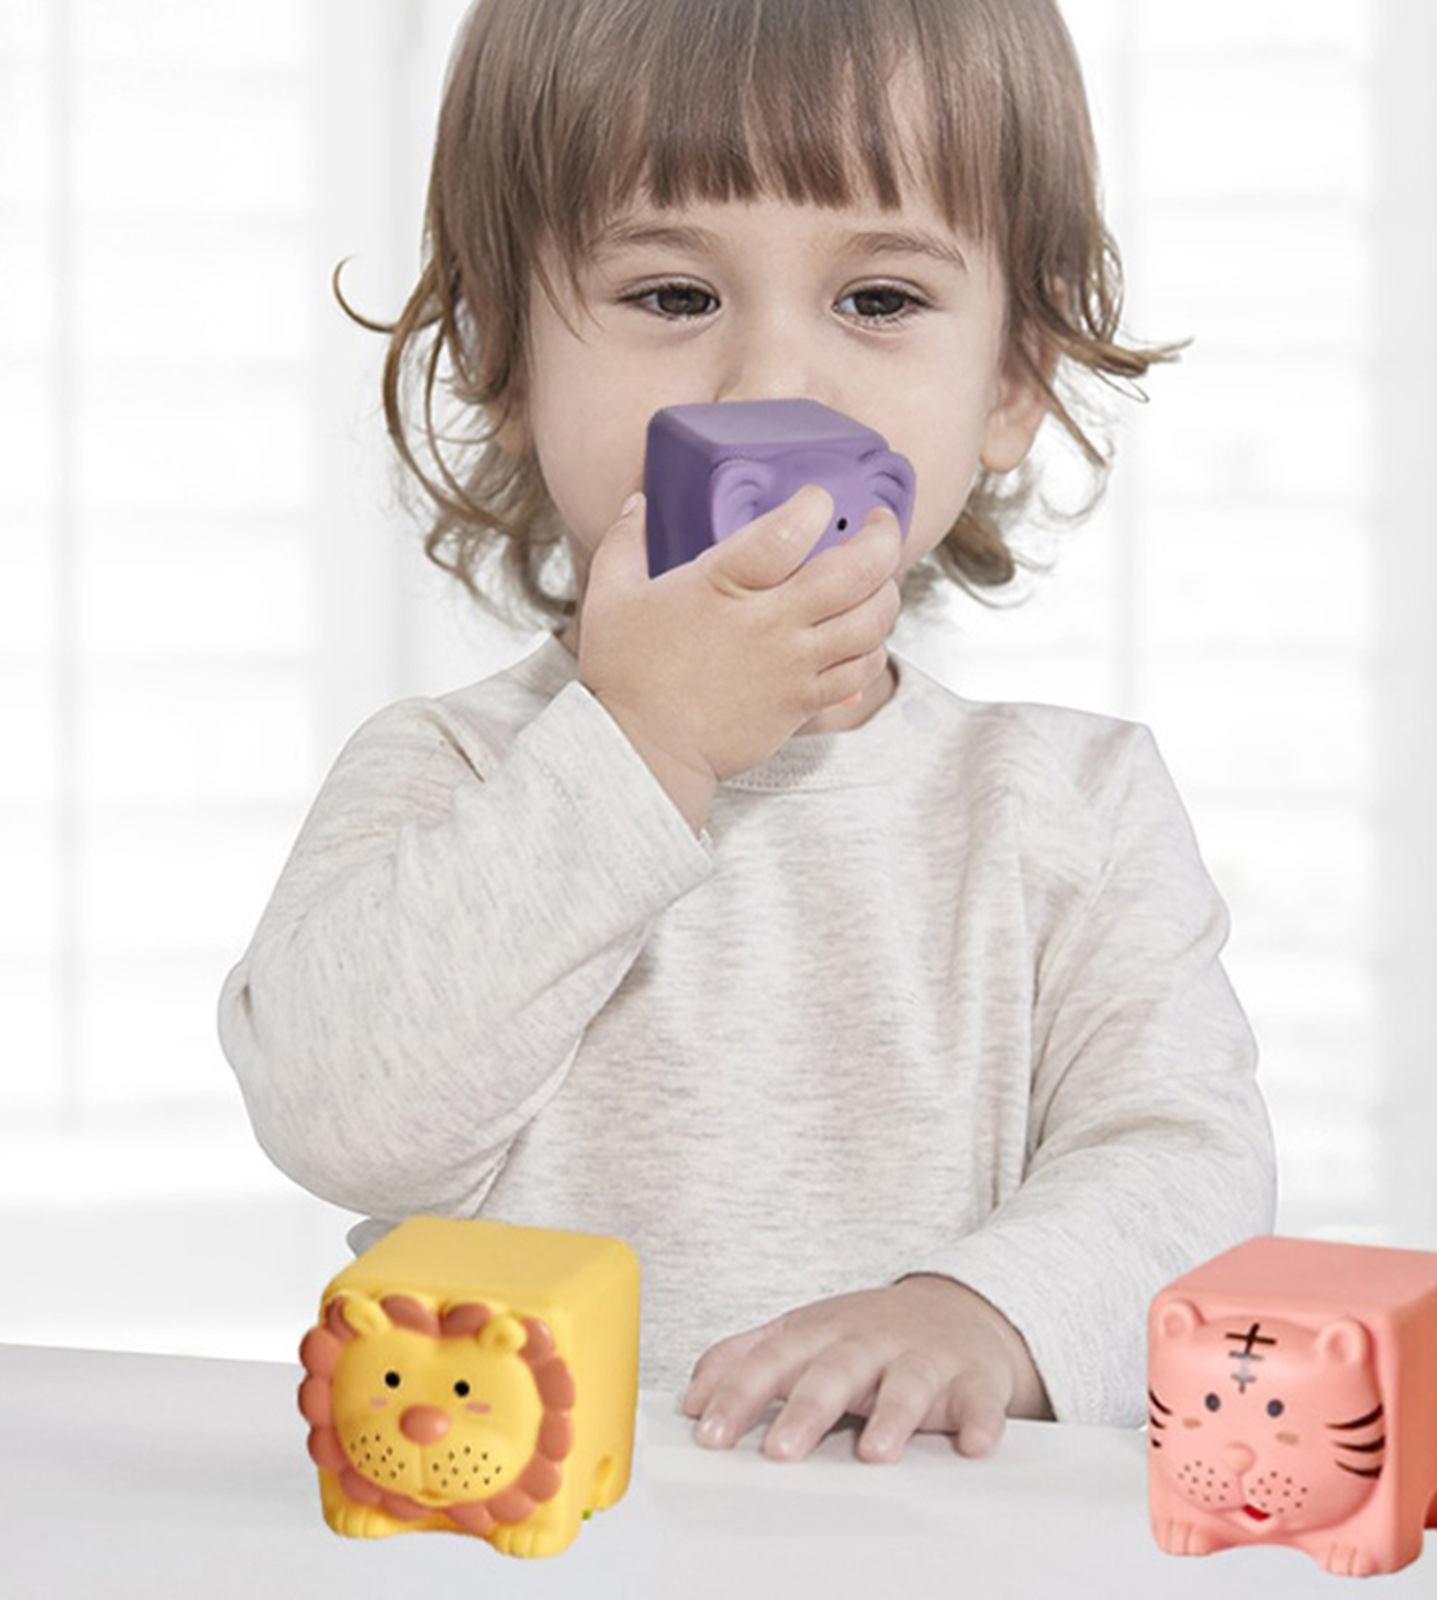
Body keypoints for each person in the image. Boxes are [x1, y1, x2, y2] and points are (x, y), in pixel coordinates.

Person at [218, 0, 1275, 1467]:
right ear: (504, 359)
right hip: (530, 1543)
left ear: (1013, 380)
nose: (772, 382)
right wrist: (640, 739)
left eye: (879, 300)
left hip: (936, 1542)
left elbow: (1190, 1170)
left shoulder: (1073, 807)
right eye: (672, 294)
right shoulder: (455, 777)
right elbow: (342, 1119)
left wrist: (981, 1314)